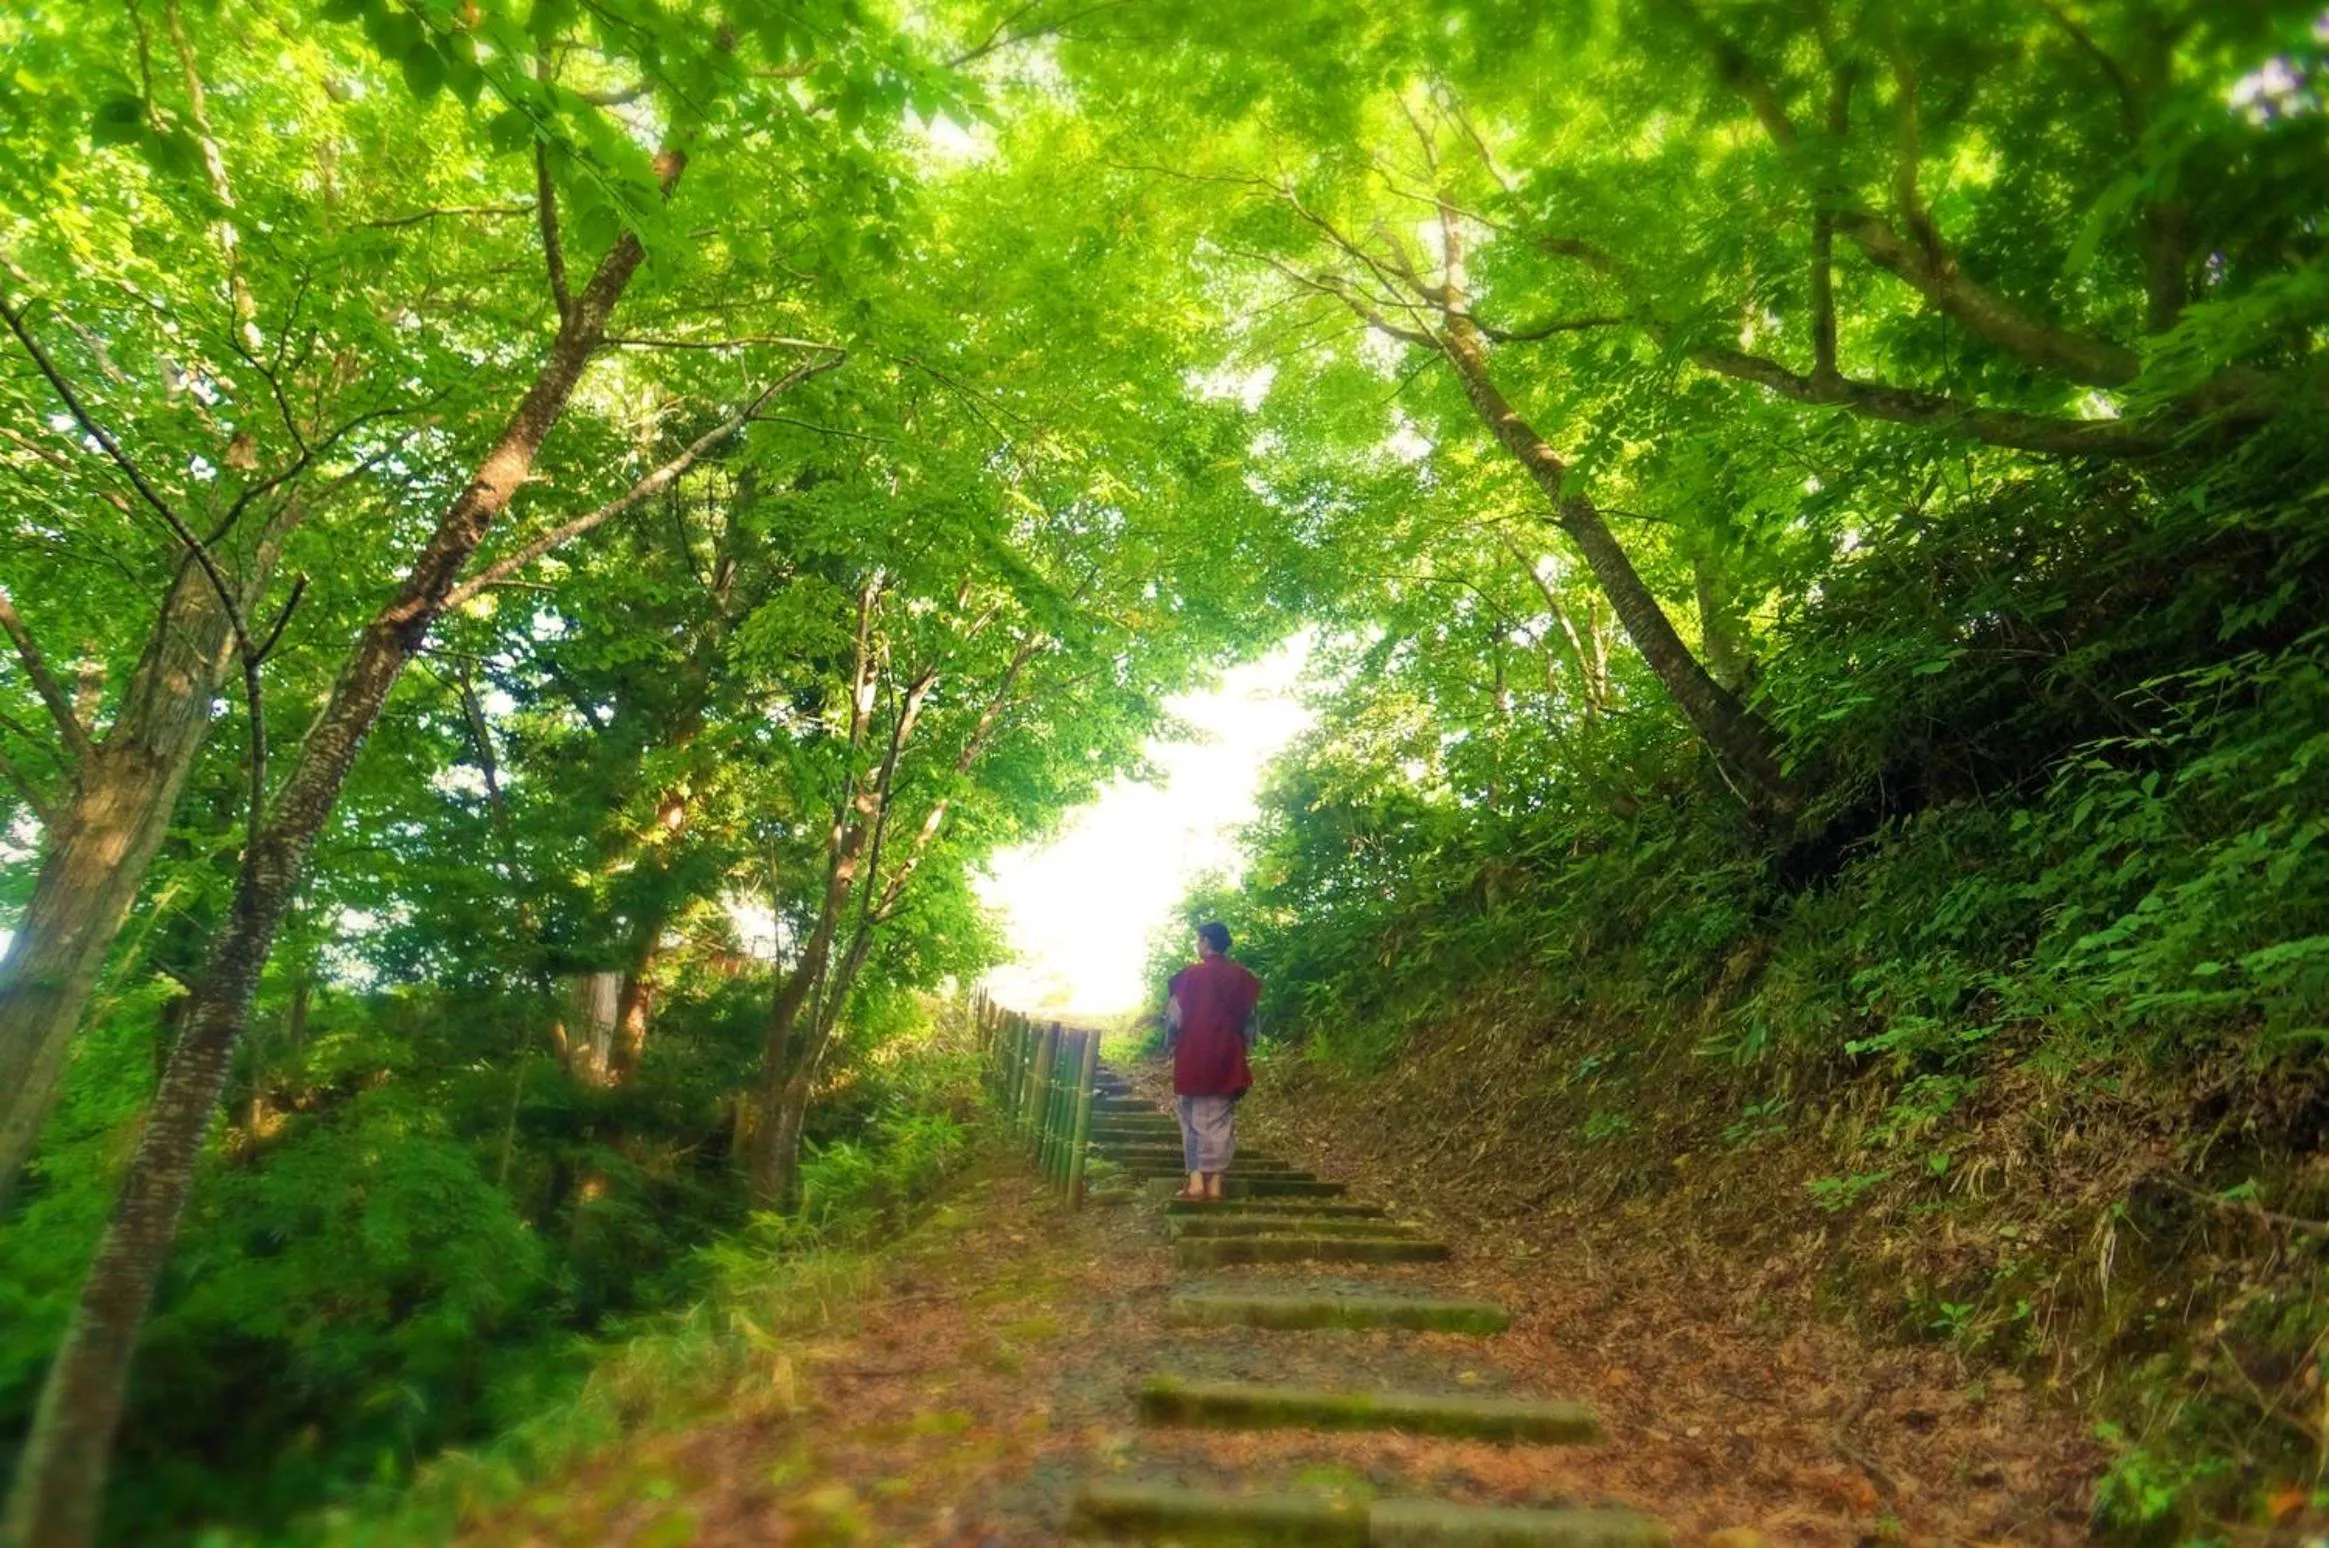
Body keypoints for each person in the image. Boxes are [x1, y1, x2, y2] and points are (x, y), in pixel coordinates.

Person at [1161, 921, 1262, 1203]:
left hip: (1194, 1055)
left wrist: (1170, 1045)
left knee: (1192, 1119)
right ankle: (1216, 1184)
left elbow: (1175, 1020)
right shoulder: (1243, 979)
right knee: (1220, 1119)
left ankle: (1196, 1183)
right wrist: (1243, 1046)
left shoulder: (1189, 977)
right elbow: (1251, 1023)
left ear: (1205, 942)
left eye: (1198, 940)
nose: (1197, 945)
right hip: (1228, 1057)